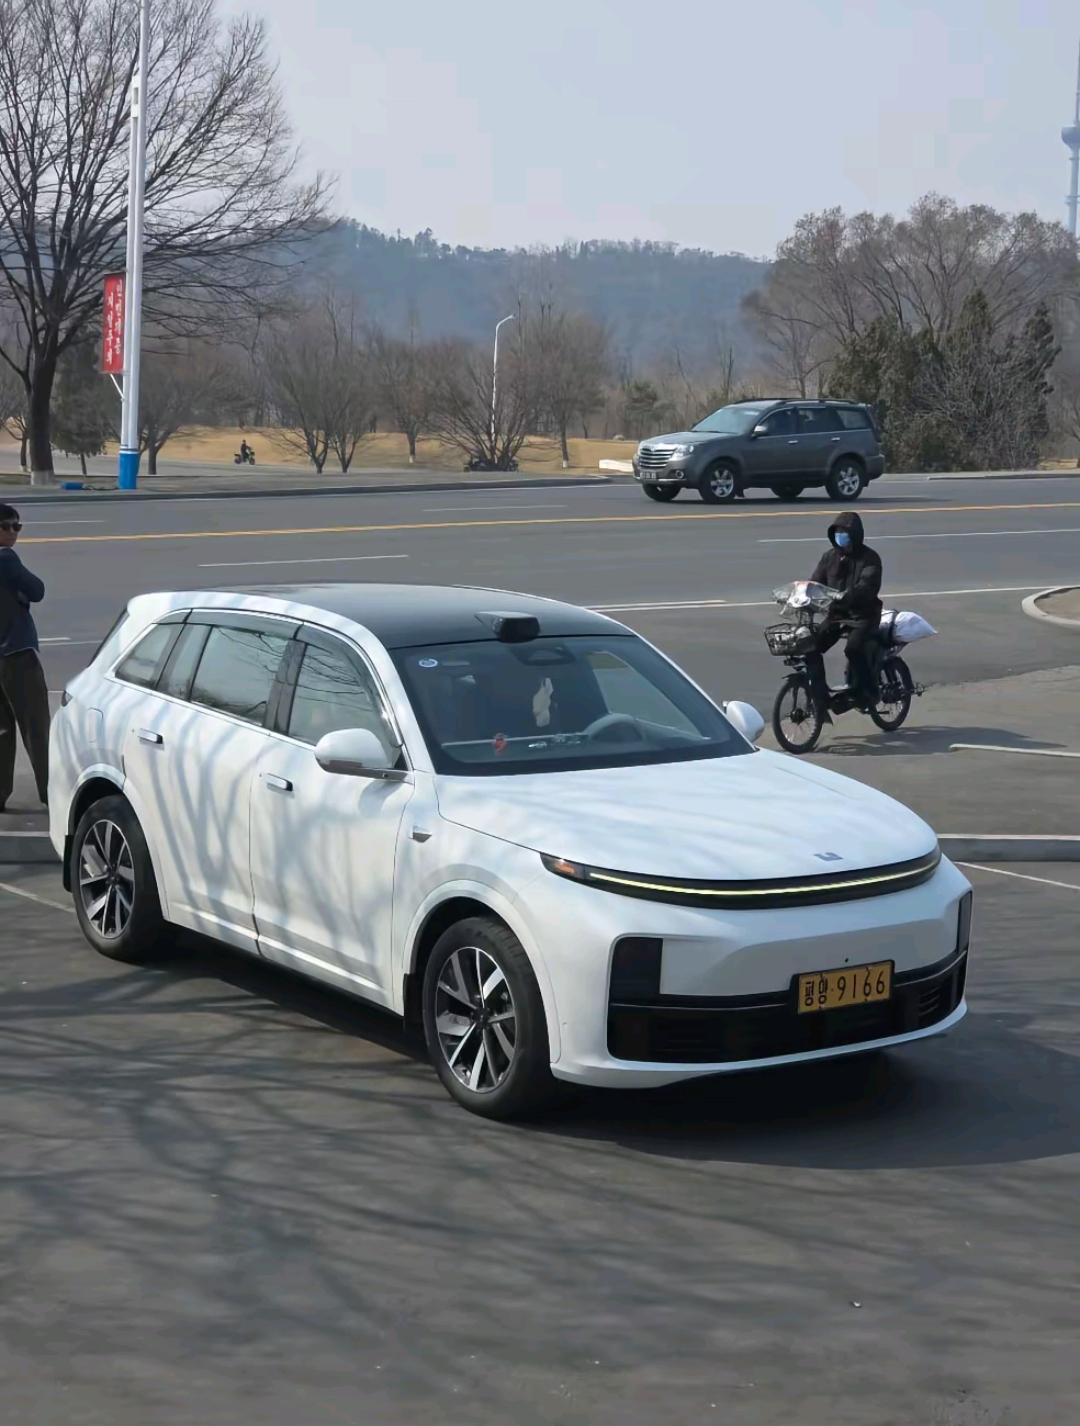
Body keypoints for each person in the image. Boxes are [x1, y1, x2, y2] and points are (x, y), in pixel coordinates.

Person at [805, 510, 883, 713]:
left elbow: (867, 586)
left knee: (853, 649)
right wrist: (804, 596)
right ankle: (821, 696)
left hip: (863, 615)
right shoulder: (830, 557)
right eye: (837, 532)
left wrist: (848, 596)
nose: (841, 536)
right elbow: (815, 583)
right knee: (811, 646)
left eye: (845, 532)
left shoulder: (870, 558)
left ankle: (868, 691)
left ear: (855, 534)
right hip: (837, 615)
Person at [0, 503, 50, 811]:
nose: (13, 532)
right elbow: (37, 590)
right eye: (7, 526)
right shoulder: (6, 558)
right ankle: (51, 792)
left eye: (17, 526)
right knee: (36, 729)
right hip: (16, 655)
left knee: (2, 731)